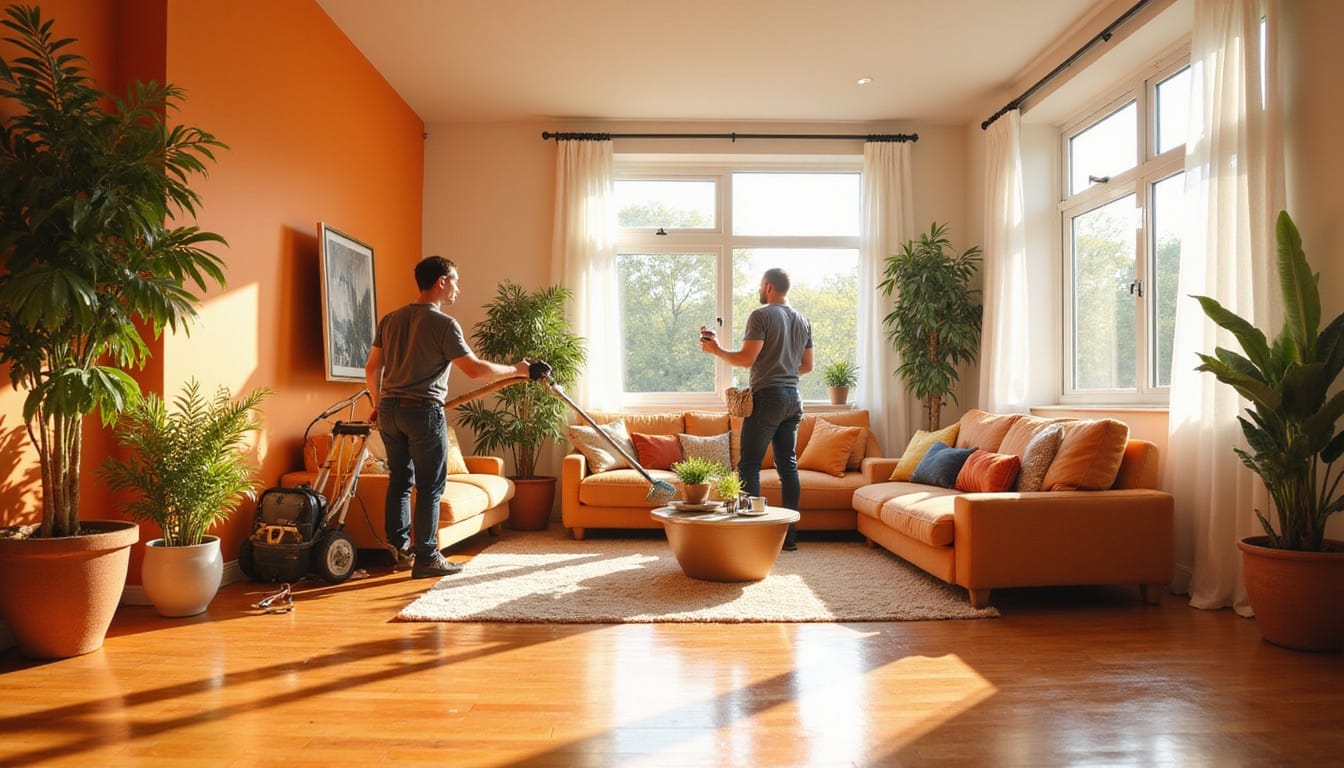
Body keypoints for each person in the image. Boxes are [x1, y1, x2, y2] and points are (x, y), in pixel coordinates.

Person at [365, 256, 531, 578]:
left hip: (389, 410)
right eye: (455, 280)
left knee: (400, 481)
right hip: (422, 411)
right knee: (430, 486)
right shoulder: (443, 324)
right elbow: (474, 370)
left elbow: (372, 368)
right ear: (441, 281)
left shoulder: (390, 320)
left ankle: (400, 552)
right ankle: (427, 557)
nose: (458, 288)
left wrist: (378, 401)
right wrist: (517, 369)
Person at [699, 268, 813, 550]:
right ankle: (789, 538)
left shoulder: (761, 315)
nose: (759, 290)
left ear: (769, 286)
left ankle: (751, 536)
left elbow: (746, 359)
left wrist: (716, 350)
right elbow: (807, 366)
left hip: (769, 398)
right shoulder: (803, 320)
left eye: (761, 286)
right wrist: (784, 371)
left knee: (749, 465)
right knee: (788, 467)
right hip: (793, 399)